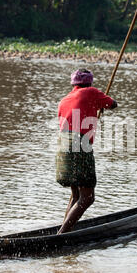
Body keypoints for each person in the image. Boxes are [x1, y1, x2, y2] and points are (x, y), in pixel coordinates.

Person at [56, 69, 118, 234]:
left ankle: (64, 232)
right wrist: (100, 104)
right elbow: (113, 104)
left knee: (77, 196)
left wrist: (95, 106)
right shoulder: (91, 92)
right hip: (80, 145)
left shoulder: (63, 100)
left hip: (63, 146)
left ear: (73, 84)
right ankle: (62, 234)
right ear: (89, 83)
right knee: (88, 197)